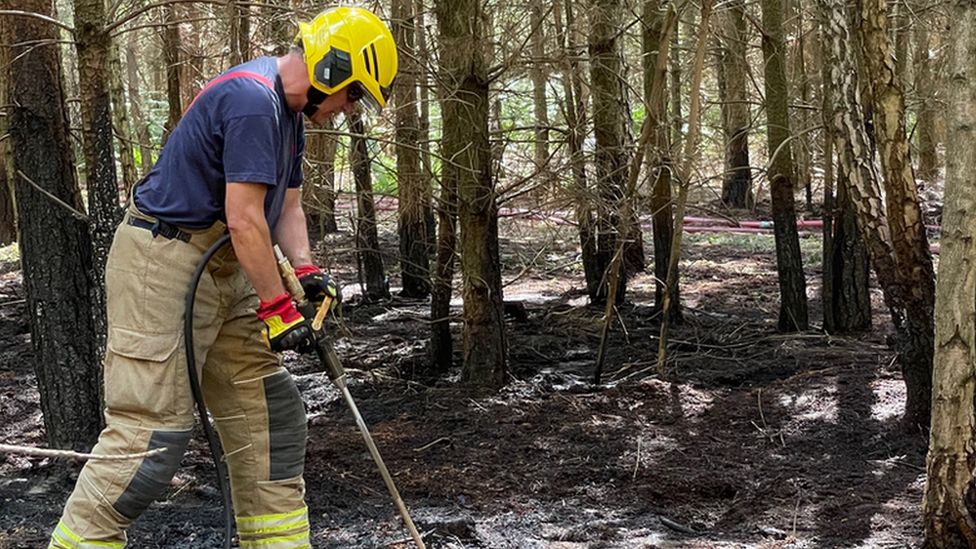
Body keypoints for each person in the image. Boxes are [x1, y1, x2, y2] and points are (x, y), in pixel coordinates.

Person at [47, 6, 398, 548]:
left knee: (269, 417)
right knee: (150, 438)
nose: (349, 109)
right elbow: (244, 217)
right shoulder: (253, 103)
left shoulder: (287, 111)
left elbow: (287, 206)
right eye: (354, 94)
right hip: (162, 263)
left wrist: (305, 273)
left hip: (226, 264)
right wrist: (278, 309)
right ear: (333, 68)